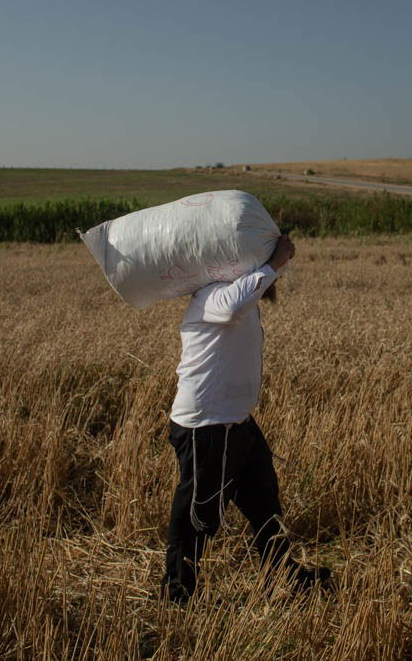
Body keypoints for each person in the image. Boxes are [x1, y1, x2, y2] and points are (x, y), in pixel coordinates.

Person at [161, 234, 331, 605]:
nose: (274, 281)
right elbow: (233, 304)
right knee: (198, 514)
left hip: (236, 422)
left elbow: (245, 300)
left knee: (264, 501)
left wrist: (269, 268)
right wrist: (275, 261)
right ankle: (176, 593)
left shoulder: (243, 300)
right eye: (265, 272)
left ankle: (286, 577)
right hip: (205, 426)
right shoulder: (213, 295)